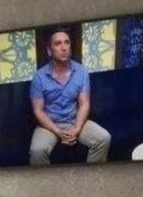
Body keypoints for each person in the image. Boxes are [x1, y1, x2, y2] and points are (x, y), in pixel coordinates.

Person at [29, 29, 111, 165]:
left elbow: (84, 104)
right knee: (37, 150)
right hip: (49, 124)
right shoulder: (39, 77)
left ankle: (92, 176)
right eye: (58, 43)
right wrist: (58, 132)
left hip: (75, 120)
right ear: (49, 50)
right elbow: (38, 111)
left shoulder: (81, 72)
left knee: (104, 138)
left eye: (67, 42)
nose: (64, 47)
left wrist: (76, 129)